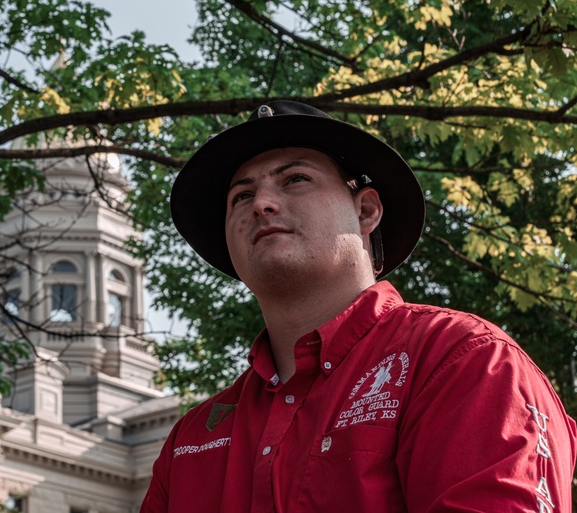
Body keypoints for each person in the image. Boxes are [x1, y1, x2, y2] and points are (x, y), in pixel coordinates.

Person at [140, 101, 577, 512]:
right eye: (241, 196)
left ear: (366, 210)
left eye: (295, 179)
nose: (261, 203)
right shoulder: (190, 439)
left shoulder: (464, 360)